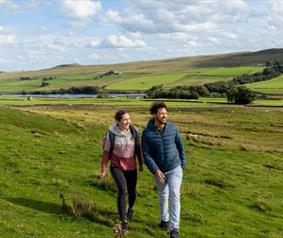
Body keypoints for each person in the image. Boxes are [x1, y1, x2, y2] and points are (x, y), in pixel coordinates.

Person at [142, 102, 186, 238]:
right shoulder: (147, 133)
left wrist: (182, 163)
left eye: (166, 113)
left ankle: (174, 229)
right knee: (163, 195)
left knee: (174, 195)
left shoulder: (172, 127)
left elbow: (180, 145)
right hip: (159, 171)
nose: (164, 115)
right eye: (161, 113)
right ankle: (164, 220)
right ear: (154, 115)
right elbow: (146, 154)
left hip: (174, 168)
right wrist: (155, 170)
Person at [101, 109, 143, 233]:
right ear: (118, 121)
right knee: (122, 190)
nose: (128, 121)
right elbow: (106, 152)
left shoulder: (134, 132)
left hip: (131, 166)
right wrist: (103, 169)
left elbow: (138, 149)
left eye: (129, 119)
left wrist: (140, 163)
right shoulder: (111, 134)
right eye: (125, 119)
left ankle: (130, 208)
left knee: (132, 192)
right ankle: (123, 220)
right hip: (116, 165)